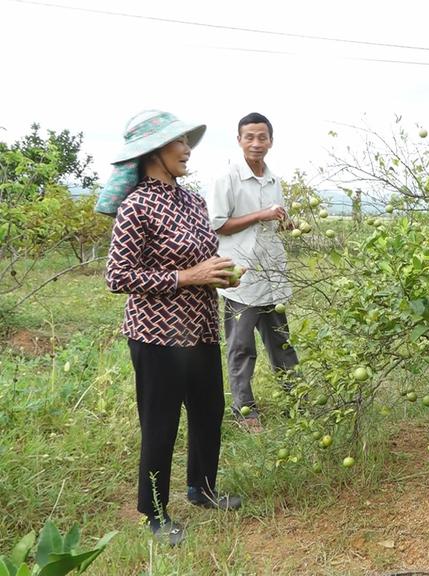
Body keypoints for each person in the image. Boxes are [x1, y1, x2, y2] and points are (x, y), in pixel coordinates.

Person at [99, 110, 243, 547]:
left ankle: (202, 489)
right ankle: (154, 512)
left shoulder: (191, 199)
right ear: (153, 151)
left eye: (186, 141)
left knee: (209, 413)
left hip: (198, 330)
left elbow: (202, 258)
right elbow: (117, 276)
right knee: (160, 424)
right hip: (156, 337)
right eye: (178, 142)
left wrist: (219, 272)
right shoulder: (136, 206)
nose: (187, 150)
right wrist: (188, 277)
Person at [206, 112, 298, 433]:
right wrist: (261, 214)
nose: (256, 143)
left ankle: (297, 401)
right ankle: (245, 410)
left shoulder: (274, 181)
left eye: (262, 137)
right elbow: (217, 223)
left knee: (282, 345)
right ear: (239, 140)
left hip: (271, 276)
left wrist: (286, 223)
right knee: (242, 348)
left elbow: (276, 221)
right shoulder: (227, 179)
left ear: (271, 141)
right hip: (241, 278)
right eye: (250, 137)